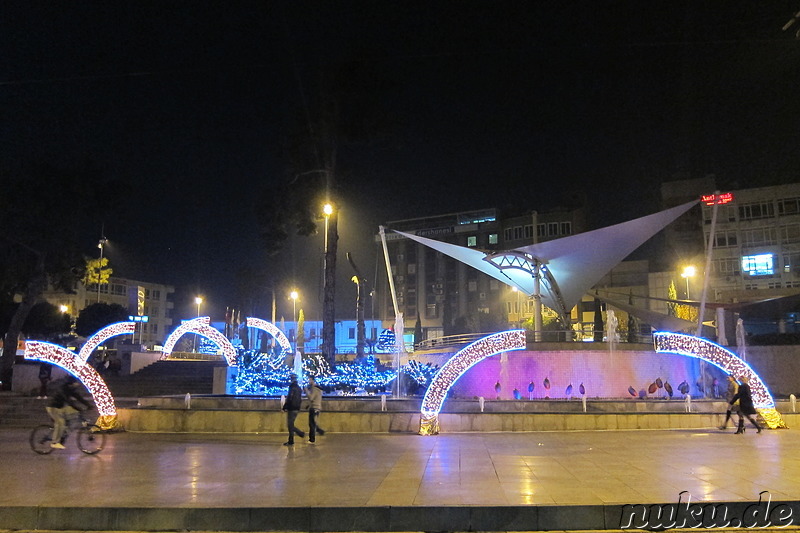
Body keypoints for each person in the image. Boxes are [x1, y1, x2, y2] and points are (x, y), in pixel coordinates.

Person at [46, 375, 91, 449]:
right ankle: (54, 442)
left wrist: (88, 405)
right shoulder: (62, 389)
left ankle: (64, 433)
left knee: (72, 414)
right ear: (71, 383)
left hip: (61, 408)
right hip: (52, 407)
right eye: (76, 383)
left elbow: (78, 397)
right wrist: (77, 407)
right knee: (60, 422)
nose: (78, 384)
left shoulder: (70, 389)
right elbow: (68, 401)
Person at [282, 373, 305, 446]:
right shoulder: (299, 388)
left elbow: (289, 398)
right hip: (297, 408)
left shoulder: (292, 387)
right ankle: (291, 440)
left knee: (290, 425)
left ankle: (299, 434)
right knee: (290, 424)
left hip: (291, 408)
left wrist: (285, 407)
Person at [304, 375, 326, 443]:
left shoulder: (315, 389)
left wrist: (306, 391)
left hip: (314, 408)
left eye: (310, 380)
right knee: (312, 423)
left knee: (311, 424)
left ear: (313, 380)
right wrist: (308, 405)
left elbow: (311, 398)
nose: (309, 381)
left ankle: (312, 439)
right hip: (315, 407)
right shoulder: (317, 388)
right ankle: (319, 431)